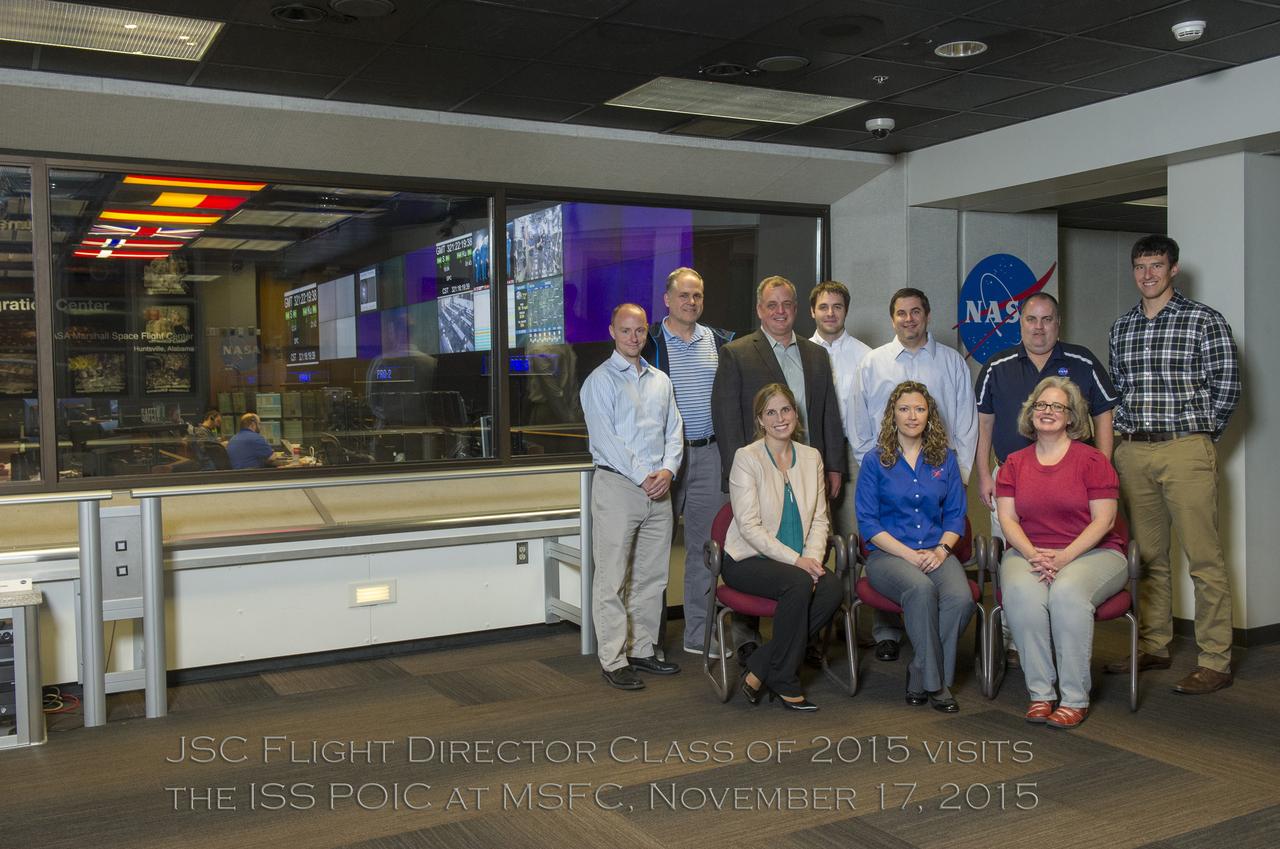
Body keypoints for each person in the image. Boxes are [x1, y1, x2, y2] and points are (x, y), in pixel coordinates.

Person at [1105, 235, 1241, 695]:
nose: (1148, 274)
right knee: (1147, 558)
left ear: (1173, 269)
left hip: (1185, 449)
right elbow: (1117, 391)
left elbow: (1227, 387)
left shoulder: (1204, 320)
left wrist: (1199, 437)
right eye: (1140, 266)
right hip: (1134, 451)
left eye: (1156, 266)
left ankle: (1216, 659)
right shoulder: (1121, 327)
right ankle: (1155, 644)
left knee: (1204, 559)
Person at [974, 292, 1118, 667]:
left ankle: (1060, 641)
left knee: (1070, 567)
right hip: (1011, 481)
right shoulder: (997, 365)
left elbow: (1104, 413)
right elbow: (983, 424)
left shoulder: (1082, 360)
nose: (1039, 328)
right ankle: (1014, 642)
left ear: (1058, 322)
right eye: (1031, 320)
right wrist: (985, 473)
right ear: (1019, 322)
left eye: (1047, 319)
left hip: (1073, 483)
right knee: (1017, 559)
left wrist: (1100, 465)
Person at [711, 274, 845, 660]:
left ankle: (801, 639)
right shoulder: (737, 352)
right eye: (772, 305)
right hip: (760, 471)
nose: (780, 312)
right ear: (759, 310)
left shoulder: (816, 354)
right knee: (761, 550)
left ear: (796, 309)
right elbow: (727, 419)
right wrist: (741, 474)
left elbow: (827, 414)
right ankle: (748, 637)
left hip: (807, 469)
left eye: (786, 304)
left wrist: (833, 465)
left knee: (809, 545)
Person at [850, 288, 977, 662]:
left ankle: (927, 664)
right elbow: (859, 423)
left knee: (944, 588)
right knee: (906, 573)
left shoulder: (951, 362)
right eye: (901, 313)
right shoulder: (874, 363)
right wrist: (882, 468)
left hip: (941, 472)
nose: (909, 319)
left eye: (916, 311)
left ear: (927, 315)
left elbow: (967, 422)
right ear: (893, 319)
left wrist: (960, 477)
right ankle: (888, 632)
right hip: (890, 472)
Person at [996, 377, 1127, 729]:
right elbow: (1007, 519)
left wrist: (1065, 557)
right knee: (1021, 592)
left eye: (1057, 406)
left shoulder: (1092, 461)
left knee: (1068, 593)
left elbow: (1105, 520)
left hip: (1092, 553)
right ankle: (1041, 694)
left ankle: (1074, 698)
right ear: (1031, 413)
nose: (1048, 412)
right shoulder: (1014, 463)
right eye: (1041, 405)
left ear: (1071, 417)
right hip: (1030, 552)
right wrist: (1033, 554)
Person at [581, 303, 684, 691]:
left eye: (639, 330)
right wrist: (645, 476)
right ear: (612, 331)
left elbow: (675, 429)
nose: (633, 337)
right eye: (625, 331)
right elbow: (607, 440)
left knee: (652, 576)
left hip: (659, 486)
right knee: (612, 578)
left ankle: (642, 649)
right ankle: (613, 658)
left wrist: (669, 470)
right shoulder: (600, 381)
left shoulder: (660, 380)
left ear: (647, 332)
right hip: (619, 487)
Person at [723, 383, 841, 711]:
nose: (780, 418)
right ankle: (787, 679)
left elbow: (820, 519)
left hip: (797, 562)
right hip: (747, 559)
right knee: (799, 582)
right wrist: (798, 562)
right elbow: (749, 528)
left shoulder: (810, 457)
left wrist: (813, 560)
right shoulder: (747, 459)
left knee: (831, 588)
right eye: (770, 412)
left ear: (795, 413)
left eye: (785, 409)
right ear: (760, 420)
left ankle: (762, 666)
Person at [855, 380, 972, 713]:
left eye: (919, 409)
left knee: (960, 599)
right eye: (904, 408)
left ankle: (920, 670)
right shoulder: (875, 461)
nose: (912, 416)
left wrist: (940, 551)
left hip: (937, 551)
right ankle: (937, 685)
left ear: (929, 415)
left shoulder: (945, 459)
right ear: (892, 414)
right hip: (889, 556)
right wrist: (909, 555)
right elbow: (869, 524)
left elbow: (955, 516)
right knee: (921, 590)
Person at [640, 267, 736, 657]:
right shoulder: (648, 343)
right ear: (667, 299)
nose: (691, 302)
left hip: (710, 455)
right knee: (653, 550)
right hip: (663, 460)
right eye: (683, 295)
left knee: (705, 549)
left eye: (697, 296)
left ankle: (699, 635)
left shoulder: (719, 341)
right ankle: (648, 641)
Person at [808, 280, 871, 538]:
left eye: (837, 307)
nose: (830, 313)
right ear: (812, 311)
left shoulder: (866, 356)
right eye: (823, 307)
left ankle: (851, 580)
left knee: (854, 532)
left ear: (846, 310)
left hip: (853, 451)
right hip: (811, 450)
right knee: (812, 530)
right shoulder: (800, 353)